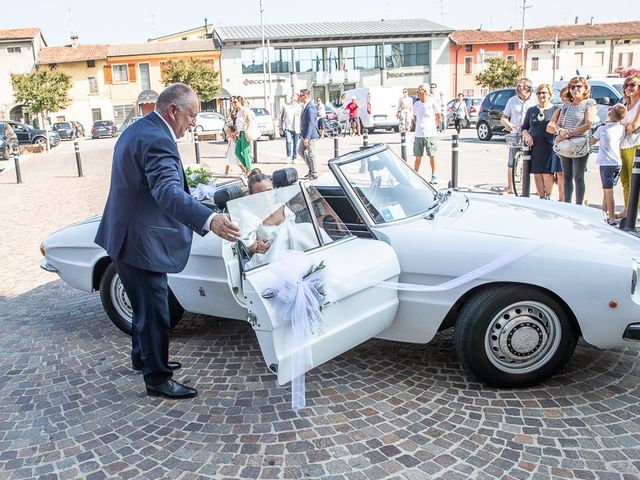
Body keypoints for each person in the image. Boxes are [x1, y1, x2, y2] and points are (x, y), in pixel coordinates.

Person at [94, 84, 241, 400]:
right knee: (155, 309)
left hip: (122, 232)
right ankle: (158, 378)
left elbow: (148, 185)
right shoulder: (159, 139)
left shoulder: (139, 128)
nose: (192, 124)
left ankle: (143, 358)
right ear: (173, 110)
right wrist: (209, 219)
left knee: (141, 305)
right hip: (140, 241)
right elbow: (167, 192)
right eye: (191, 115)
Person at [546, 76, 597, 205]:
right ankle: (567, 203)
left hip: (579, 143)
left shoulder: (589, 103)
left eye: (579, 86)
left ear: (585, 88)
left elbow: (588, 123)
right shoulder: (566, 105)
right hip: (565, 144)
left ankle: (578, 204)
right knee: (566, 176)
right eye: (572, 87)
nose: (575, 89)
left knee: (578, 176)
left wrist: (570, 133)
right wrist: (560, 131)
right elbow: (557, 124)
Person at [592, 103, 626, 224]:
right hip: (617, 163)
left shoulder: (602, 129)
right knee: (608, 189)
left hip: (606, 163)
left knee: (608, 191)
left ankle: (611, 218)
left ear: (610, 114)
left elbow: (592, 141)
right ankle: (603, 212)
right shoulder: (622, 128)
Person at [501, 78, 536, 194]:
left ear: (528, 88)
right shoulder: (512, 100)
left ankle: (537, 188)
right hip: (515, 133)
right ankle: (510, 187)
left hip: (531, 133)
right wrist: (507, 124)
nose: (518, 88)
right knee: (512, 160)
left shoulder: (535, 99)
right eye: (518, 86)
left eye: (521, 86)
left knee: (535, 160)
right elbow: (504, 117)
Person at [521, 84, 557, 199]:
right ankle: (541, 197)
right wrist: (527, 136)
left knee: (548, 174)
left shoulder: (555, 110)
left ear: (550, 95)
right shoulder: (531, 110)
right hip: (535, 146)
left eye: (544, 93)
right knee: (537, 173)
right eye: (539, 93)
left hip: (550, 146)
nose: (541, 95)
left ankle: (548, 196)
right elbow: (524, 128)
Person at [618, 74, 640, 219]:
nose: (628, 88)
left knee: (635, 180)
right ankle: (627, 209)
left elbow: (634, 125)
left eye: (632, 85)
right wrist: (626, 127)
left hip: (636, 144)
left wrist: (624, 127)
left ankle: (634, 212)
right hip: (623, 144)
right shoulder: (625, 105)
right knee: (625, 179)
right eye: (626, 85)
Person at [413, 84, 441, 183]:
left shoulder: (432, 102)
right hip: (418, 134)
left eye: (418, 91)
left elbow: (438, 117)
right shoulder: (416, 104)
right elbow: (415, 118)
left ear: (424, 91)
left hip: (430, 134)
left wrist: (433, 127)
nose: (417, 93)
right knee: (418, 157)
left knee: (432, 155)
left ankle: (434, 175)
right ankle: (415, 175)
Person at [298, 89, 319, 180]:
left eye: (300, 95)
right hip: (304, 134)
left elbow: (311, 123)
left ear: (305, 96)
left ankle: (314, 173)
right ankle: (310, 169)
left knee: (311, 153)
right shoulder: (305, 106)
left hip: (310, 135)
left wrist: (307, 137)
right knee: (300, 151)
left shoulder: (310, 107)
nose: (299, 97)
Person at [279, 94, 302, 164]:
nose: (292, 98)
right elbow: (281, 117)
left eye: (293, 97)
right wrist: (280, 127)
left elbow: (301, 117)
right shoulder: (285, 106)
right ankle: (288, 156)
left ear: (296, 99)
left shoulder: (299, 107)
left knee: (296, 143)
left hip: (296, 128)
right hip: (287, 127)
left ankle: (295, 157)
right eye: (291, 97)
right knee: (288, 141)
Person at [234, 96, 253, 172]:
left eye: (235, 102)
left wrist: (247, 131)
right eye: (233, 102)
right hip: (240, 133)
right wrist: (236, 132)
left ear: (240, 101)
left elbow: (250, 121)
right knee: (237, 152)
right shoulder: (238, 112)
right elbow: (240, 125)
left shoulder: (245, 110)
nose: (233, 104)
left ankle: (249, 170)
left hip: (245, 132)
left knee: (246, 152)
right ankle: (247, 168)